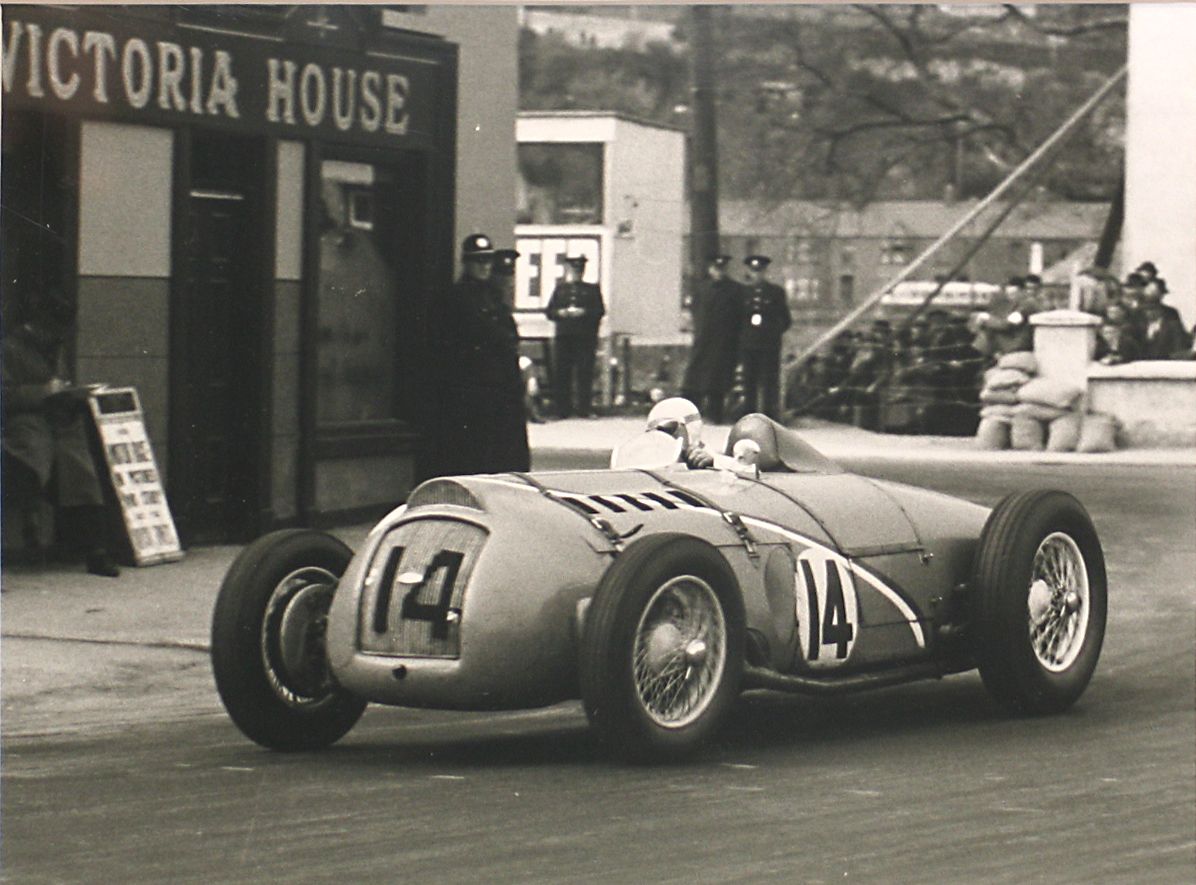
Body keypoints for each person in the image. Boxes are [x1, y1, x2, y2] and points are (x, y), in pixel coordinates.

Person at [2, 290, 120, 576]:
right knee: (33, 469)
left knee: (84, 475)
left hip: (60, 427)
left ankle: (96, 551)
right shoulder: (8, 349)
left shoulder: (55, 347)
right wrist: (43, 393)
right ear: (39, 323)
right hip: (25, 429)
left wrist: (70, 395)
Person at [434, 233, 530, 475]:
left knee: (504, 457)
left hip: (500, 388)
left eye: (488, 261)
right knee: (479, 456)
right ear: (467, 263)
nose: (485, 267)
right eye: (479, 262)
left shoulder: (492, 298)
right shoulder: (459, 298)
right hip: (475, 390)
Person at [680, 254, 743, 424]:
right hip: (703, 340)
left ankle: (715, 414)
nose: (719, 272)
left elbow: (739, 316)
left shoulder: (736, 290)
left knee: (719, 379)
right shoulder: (702, 289)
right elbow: (696, 311)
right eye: (716, 269)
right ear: (710, 270)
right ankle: (691, 413)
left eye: (722, 269)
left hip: (724, 342)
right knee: (695, 378)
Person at [545, 254, 605, 418]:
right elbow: (550, 311)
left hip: (584, 337)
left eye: (580, 269)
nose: (577, 272)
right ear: (568, 270)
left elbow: (599, 311)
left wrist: (584, 312)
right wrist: (561, 312)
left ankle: (584, 409)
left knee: (584, 373)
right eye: (574, 269)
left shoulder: (591, 290)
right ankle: (562, 410)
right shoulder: (561, 289)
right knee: (562, 373)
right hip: (564, 336)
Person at [738, 254, 791, 419]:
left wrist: (773, 332)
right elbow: (736, 318)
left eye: (760, 271)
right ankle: (749, 413)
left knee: (769, 381)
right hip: (748, 343)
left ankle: (770, 414)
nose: (757, 275)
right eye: (754, 271)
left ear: (765, 272)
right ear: (749, 272)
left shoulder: (776, 292)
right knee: (749, 381)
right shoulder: (742, 293)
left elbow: (786, 319)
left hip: (769, 344)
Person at [646, 397, 714, 469]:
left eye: (668, 430)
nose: (659, 436)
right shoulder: (648, 464)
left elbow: (723, 464)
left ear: (689, 429)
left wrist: (711, 463)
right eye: (653, 433)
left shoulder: (716, 464)